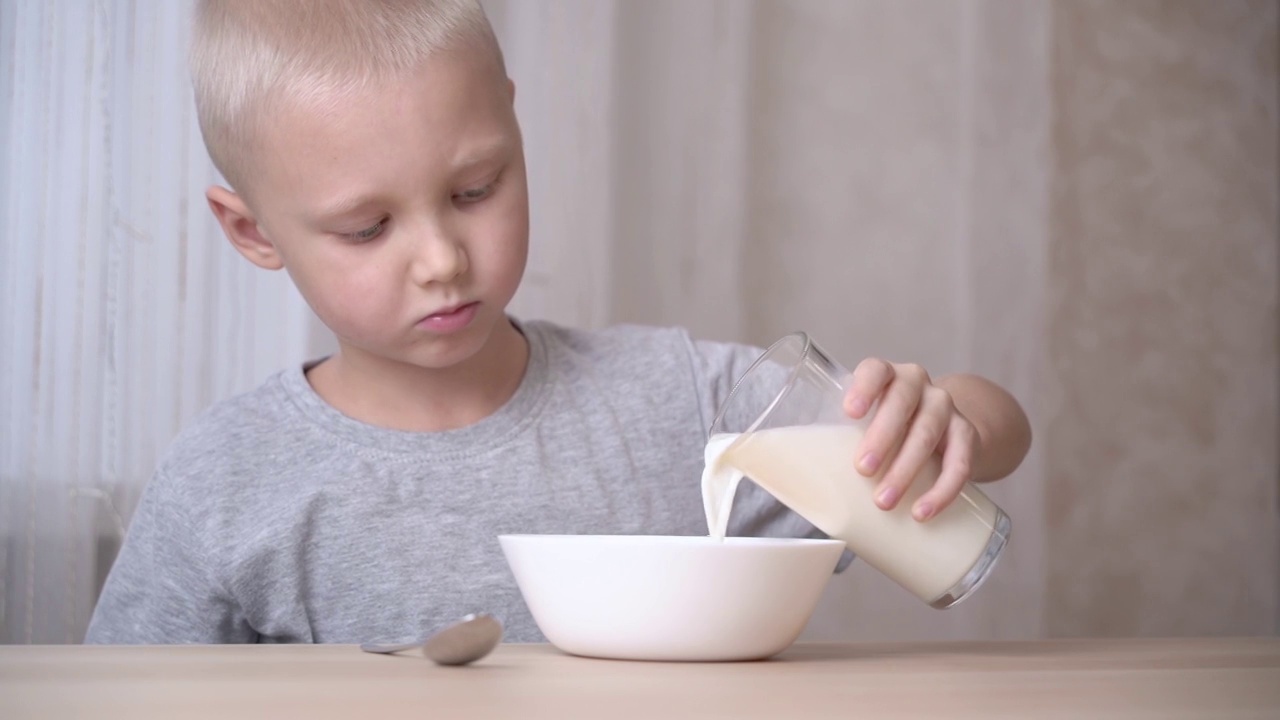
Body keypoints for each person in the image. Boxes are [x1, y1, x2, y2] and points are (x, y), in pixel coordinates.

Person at [85, 0, 1032, 644]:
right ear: (254, 232)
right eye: (368, 227)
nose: (441, 258)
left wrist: (949, 418)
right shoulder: (227, 483)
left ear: (514, 131)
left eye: (475, 188)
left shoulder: (678, 406)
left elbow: (1000, 431)